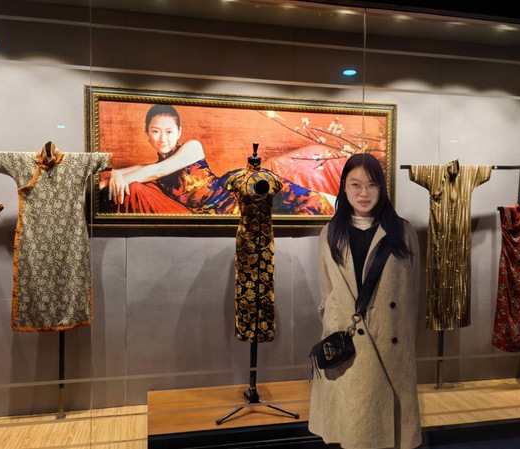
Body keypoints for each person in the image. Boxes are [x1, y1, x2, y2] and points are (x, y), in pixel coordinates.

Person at [308, 154, 422, 449]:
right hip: (348, 341)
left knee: (387, 430)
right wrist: (332, 320)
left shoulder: (403, 232)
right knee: (354, 425)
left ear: (382, 188)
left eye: (371, 185)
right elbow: (326, 290)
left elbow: (412, 292)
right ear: (344, 188)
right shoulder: (330, 233)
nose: (363, 192)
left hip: (390, 342)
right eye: (355, 184)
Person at [99, 104, 335, 215]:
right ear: (147, 134)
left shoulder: (191, 147)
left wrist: (122, 175)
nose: (163, 138)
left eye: (169, 131)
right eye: (156, 131)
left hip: (232, 193)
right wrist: (116, 173)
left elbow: (156, 171)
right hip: (217, 212)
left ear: (179, 133)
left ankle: (339, 201)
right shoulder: (152, 167)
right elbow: (111, 178)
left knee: (305, 200)